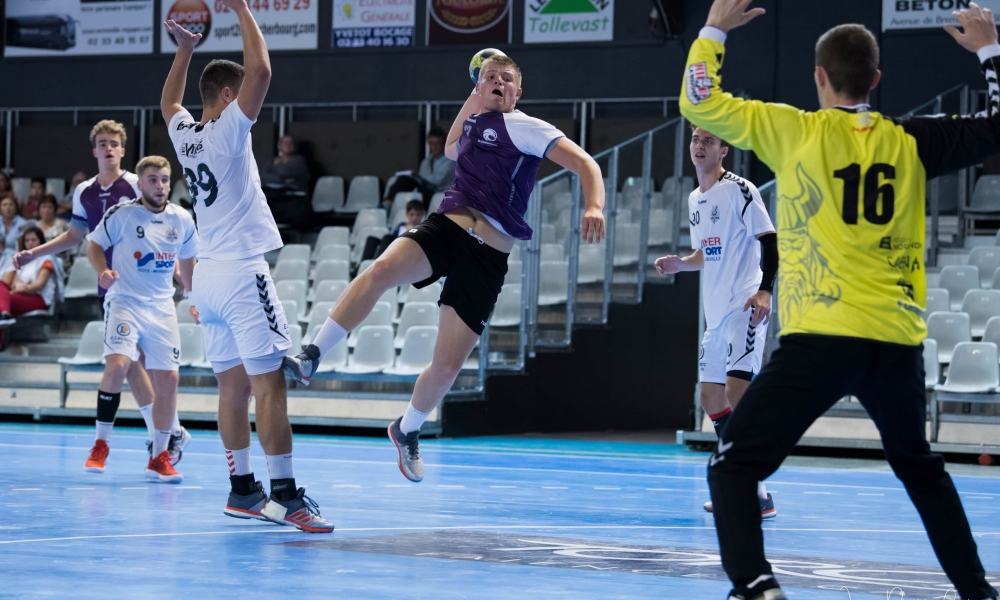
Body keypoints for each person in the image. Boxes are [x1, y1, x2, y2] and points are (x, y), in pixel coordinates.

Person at [681, 1, 1000, 599]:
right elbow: (997, 123)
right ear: (875, 82)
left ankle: (756, 586)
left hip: (821, 339)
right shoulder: (911, 140)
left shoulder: (794, 130)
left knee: (733, 466)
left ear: (819, 78)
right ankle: (978, 592)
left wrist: (713, 31)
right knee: (922, 471)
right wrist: (990, 50)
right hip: (895, 342)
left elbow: (700, 102)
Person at [283, 53, 607, 483]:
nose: (496, 83)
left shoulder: (528, 127)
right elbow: (453, 145)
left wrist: (595, 205)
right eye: (489, 78)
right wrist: (475, 93)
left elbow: (587, 163)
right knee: (380, 269)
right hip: (448, 227)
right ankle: (312, 354)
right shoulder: (474, 124)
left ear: (518, 91)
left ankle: (407, 429)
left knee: (447, 366)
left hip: (488, 256)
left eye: (505, 79)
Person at [162, 0, 333, 533]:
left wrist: (185, 51)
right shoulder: (229, 133)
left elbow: (169, 100)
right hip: (239, 273)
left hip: (207, 278)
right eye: (246, 99)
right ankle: (285, 496)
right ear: (230, 98)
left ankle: (242, 491)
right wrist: (238, 6)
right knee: (269, 388)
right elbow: (262, 69)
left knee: (230, 391)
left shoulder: (186, 134)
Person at [13, 120, 189, 466]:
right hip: (112, 288)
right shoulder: (85, 192)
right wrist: (35, 252)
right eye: (103, 143)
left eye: (114, 143)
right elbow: (75, 236)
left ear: (123, 150)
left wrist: (179, 272)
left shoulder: (138, 186)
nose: (108, 148)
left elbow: (163, 229)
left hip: (145, 286)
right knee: (130, 364)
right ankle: (169, 434)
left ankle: (168, 435)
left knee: (135, 364)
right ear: (94, 150)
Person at [654, 124, 777, 520]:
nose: (699, 146)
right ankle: (748, 480)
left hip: (745, 306)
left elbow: (769, 241)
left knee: (739, 393)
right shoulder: (694, 199)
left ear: (724, 150)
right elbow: (706, 252)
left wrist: (765, 291)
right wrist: (681, 263)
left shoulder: (741, 189)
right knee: (711, 399)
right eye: (695, 139)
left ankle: (752, 487)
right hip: (715, 313)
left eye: (708, 141)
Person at [83, 156, 198, 481]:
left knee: (169, 380)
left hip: (162, 307)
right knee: (119, 364)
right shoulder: (122, 214)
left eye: (164, 179)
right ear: (140, 183)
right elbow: (94, 245)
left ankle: (159, 455)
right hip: (125, 302)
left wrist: (194, 299)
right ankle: (100, 445)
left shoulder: (182, 219)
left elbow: (187, 266)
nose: (159, 186)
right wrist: (102, 271)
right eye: (152, 180)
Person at [0, 227, 60, 344]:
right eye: (27, 240)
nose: (30, 243)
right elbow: (13, 285)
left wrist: (25, 287)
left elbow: (39, 285)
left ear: (41, 241)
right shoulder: (23, 260)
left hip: (39, 299)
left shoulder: (47, 259)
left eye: (33, 240)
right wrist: (25, 286)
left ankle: (4, 318)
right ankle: (4, 315)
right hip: (22, 295)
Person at [382, 127, 455, 209]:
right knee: (404, 180)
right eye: (431, 143)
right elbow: (422, 178)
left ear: (443, 143)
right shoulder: (426, 161)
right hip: (425, 187)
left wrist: (419, 178)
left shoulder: (450, 160)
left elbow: (437, 180)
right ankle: (387, 204)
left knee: (423, 192)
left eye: (437, 143)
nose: (434, 147)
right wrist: (415, 177)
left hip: (439, 192)